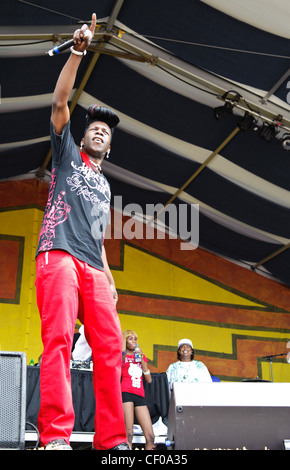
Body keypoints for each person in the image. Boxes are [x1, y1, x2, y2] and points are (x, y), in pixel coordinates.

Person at [35, 13, 129, 450]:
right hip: (58, 254)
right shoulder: (67, 152)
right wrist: (77, 52)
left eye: (104, 131)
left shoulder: (106, 184)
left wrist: (109, 280)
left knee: (110, 353)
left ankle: (112, 443)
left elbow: (99, 235)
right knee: (57, 342)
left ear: (109, 146)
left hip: (93, 266)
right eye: (93, 126)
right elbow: (59, 104)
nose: (97, 130)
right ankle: (55, 438)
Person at [121, 330, 155, 450]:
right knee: (128, 434)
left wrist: (142, 361)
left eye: (135, 339)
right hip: (126, 393)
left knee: (151, 437)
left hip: (140, 395)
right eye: (130, 338)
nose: (134, 341)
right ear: (124, 340)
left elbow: (149, 379)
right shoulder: (121, 355)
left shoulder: (141, 356)